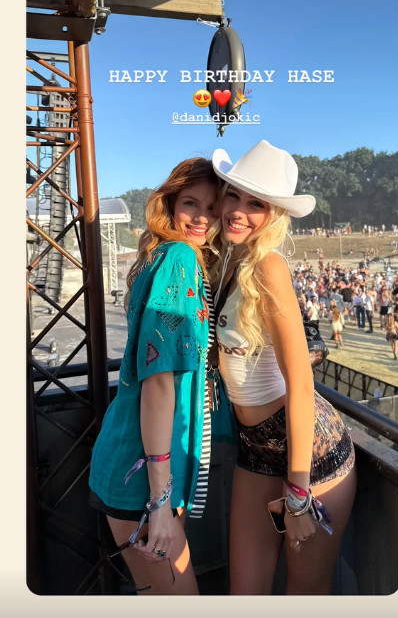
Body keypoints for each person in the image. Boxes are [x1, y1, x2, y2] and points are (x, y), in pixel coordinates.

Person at [211, 141, 356, 595]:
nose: (238, 211)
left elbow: (300, 381)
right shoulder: (230, 260)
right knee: (245, 594)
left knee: (304, 595)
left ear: (274, 214)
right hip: (256, 446)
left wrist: (297, 494)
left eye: (256, 203)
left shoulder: (269, 266)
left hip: (310, 455)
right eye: (233, 195)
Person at [88, 158, 223, 595]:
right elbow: (160, 381)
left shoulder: (160, 256)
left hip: (134, 467)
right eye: (191, 203)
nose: (202, 218)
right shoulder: (179, 258)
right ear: (170, 204)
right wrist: (160, 501)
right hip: (144, 483)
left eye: (213, 207)